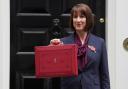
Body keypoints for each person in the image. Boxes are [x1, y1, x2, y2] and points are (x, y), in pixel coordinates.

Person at [50, 3, 110, 89]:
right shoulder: (63, 43)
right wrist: (51, 49)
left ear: (88, 19)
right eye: (75, 17)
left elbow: (104, 75)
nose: (78, 20)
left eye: (82, 16)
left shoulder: (100, 42)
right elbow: (53, 69)